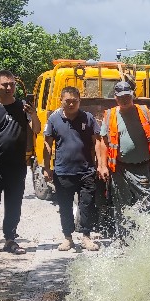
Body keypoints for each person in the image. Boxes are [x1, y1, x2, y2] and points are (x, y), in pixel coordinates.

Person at [0, 70, 41, 254]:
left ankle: (10, 239)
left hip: (17, 166)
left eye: (12, 84)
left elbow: (37, 129)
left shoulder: (23, 106)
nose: (9, 87)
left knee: (14, 204)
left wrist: (33, 114)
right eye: (5, 84)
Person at [96, 80, 150, 235]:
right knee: (121, 204)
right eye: (121, 97)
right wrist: (102, 166)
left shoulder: (143, 111)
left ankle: (147, 236)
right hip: (120, 168)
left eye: (127, 96)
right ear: (115, 98)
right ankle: (124, 239)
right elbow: (103, 142)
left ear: (132, 95)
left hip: (141, 166)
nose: (124, 99)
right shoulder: (110, 115)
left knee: (147, 202)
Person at [42, 86, 100, 252]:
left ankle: (86, 237)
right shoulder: (54, 119)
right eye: (68, 101)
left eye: (75, 101)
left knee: (87, 205)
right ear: (61, 100)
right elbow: (48, 144)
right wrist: (47, 168)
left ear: (79, 101)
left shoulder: (88, 118)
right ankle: (68, 238)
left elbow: (96, 143)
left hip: (86, 170)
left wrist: (99, 164)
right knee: (65, 206)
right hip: (63, 172)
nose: (71, 104)